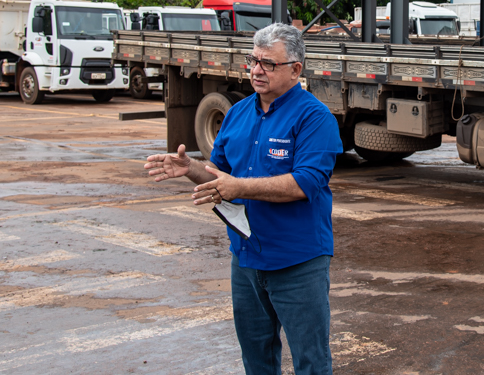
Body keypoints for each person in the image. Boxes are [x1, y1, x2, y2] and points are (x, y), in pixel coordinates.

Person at [144, 22, 342, 375]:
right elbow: (219, 174)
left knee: (311, 362)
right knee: (256, 360)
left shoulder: (315, 118)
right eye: (254, 61)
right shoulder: (237, 114)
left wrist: (241, 187)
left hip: (297, 262)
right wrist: (189, 167)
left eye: (269, 64)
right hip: (247, 259)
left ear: (296, 69)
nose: (257, 70)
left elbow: (305, 183)